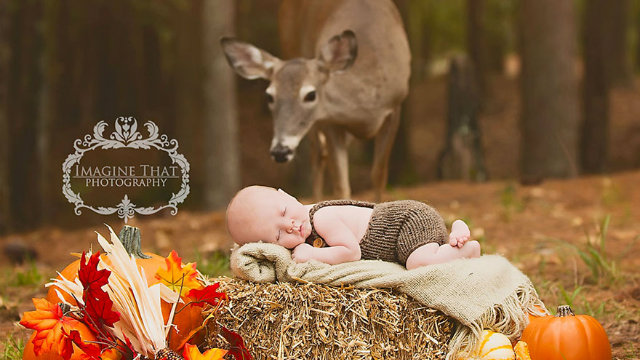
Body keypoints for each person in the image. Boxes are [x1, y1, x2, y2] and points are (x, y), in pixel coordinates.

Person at [226, 185, 481, 270]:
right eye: (279, 234)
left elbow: (351, 252)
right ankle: (451, 239)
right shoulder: (302, 225)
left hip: (406, 222)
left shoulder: (320, 219)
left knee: (418, 263)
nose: (291, 226)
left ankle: (465, 249)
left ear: (288, 195)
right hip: (404, 232)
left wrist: (314, 254)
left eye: (284, 213)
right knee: (422, 255)